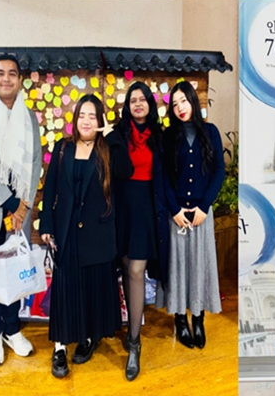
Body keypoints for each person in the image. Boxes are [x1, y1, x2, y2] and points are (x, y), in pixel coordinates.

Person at [40, 94, 132, 378]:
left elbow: (126, 171)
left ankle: (88, 338)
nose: (87, 121)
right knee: (66, 291)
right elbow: (51, 188)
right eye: (82, 115)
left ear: (100, 120)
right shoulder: (63, 148)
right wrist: (46, 225)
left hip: (98, 232)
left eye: (93, 116)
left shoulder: (107, 149)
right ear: (75, 118)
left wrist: (114, 136)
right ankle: (59, 348)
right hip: (66, 232)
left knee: (91, 290)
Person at [0, 54, 41, 366]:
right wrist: (10, 202)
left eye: (12, 74)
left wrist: (23, 205)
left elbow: (35, 161)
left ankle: (12, 329)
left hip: (21, 208)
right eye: (0, 73)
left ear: (19, 79)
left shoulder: (28, 116)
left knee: (13, 267)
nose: (6, 79)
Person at [156, 81, 225, 349]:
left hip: (201, 215)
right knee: (178, 269)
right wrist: (174, 210)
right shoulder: (167, 136)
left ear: (193, 101)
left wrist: (205, 206)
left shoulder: (210, 132)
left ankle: (198, 318)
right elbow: (162, 178)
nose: (180, 107)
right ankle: (180, 320)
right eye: (174, 104)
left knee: (199, 268)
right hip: (178, 217)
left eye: (183, 101)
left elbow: (218, 170)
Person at [114, 81, 167, 381]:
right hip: (121, 208)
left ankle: (134, 342)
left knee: (136, 270)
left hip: (147, 208)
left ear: (149, 103)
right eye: (132, 100)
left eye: (142, 99)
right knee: (123, 267)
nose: (137, 104)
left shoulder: (160, 136)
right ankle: (130, 326)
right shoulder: (119, 134)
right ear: (128, 106)